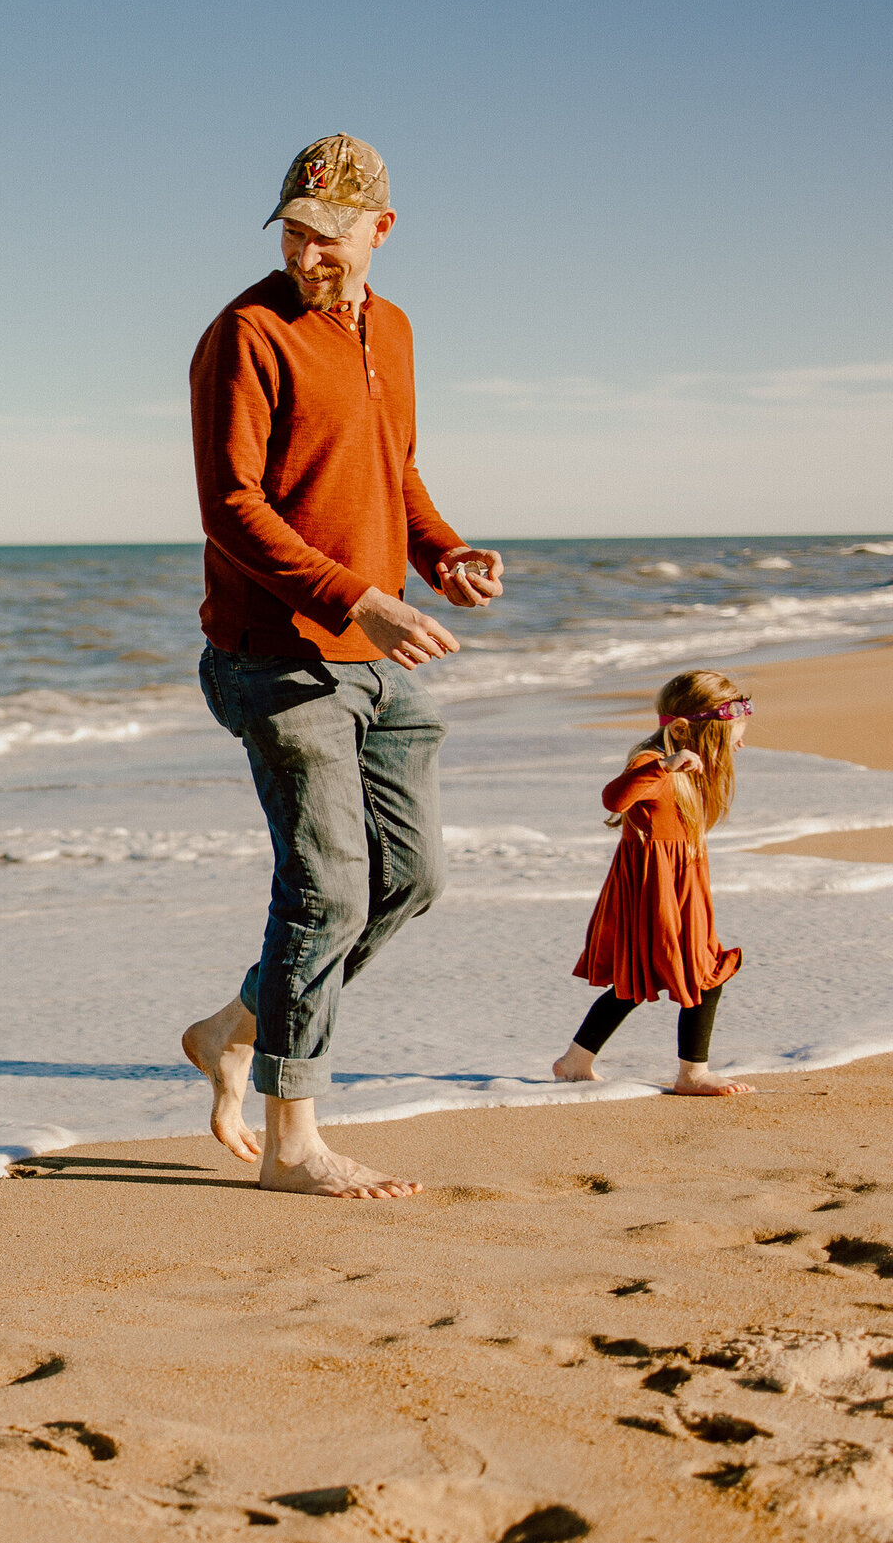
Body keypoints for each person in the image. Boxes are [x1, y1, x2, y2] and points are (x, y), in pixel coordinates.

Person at [178, 134, 506, 1198]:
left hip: (374, 650)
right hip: (274, 657)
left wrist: (441, 552)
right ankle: (293, 1142)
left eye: (330, 236)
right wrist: (349, 593)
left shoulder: (394, 329)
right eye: (296, 234)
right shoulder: (245, 332)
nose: (312, 253)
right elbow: (233, 506)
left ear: (381, 230)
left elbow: (391, 469)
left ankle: (236, 1025)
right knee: (326, 885)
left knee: (410, 878)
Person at [552, 672, 753, 1097]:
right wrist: (664, 765)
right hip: (652, 888)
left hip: (680, 883)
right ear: (682, 730)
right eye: (731, 735)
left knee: (636, 980)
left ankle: (574, 1062)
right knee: (703, 972)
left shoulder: (690, 769)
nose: (740, 744)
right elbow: (614, 799)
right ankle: (692, 1074)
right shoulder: (652, 761)